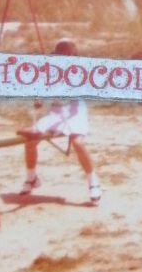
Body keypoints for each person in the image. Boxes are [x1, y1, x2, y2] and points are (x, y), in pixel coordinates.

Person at [20, 37, 102, 204]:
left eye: (69, 55)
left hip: (75, 112)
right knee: (30, 140)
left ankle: (93, 181)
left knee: (78, 142)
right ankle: (31, 177)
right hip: (56, 113)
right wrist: (39, 99)